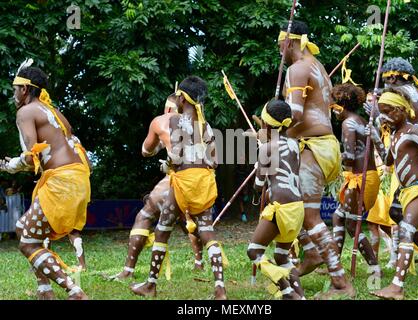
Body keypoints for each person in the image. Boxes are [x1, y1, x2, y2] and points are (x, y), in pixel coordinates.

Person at [0, 60, 91, 300]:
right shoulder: (53, 111)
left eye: (15, 89)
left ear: (25, 89)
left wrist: (11, 166)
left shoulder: (25, 112)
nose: (12, 94)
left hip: (62, 180)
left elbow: (32, 158)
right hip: (78, 177)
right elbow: (76, 145)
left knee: (28, 242)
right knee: (25, 230)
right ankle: (44, 290)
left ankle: (74, 290)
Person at [130, 76, 227, 299]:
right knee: (207, 230)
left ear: (181, 99)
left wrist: (169, 164)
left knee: (163, 229)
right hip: (204, 181)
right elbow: (215, 161)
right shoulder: (205, 125)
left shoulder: (172, 121)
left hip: (183, 182)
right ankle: (220, 288)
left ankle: (151, 284)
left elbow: (172, 153)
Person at [277, 20, 354, 298]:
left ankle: (341, 284)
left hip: (312, 147)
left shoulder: (296, 69)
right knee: (292, 206)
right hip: (324, 146)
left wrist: (271, 128)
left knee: (309, 216)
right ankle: (311, 255)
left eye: (280, 46)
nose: (280, 52)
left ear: (291, 42)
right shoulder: (317, 66)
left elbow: (294, 114)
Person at [110, 94, 204, 281]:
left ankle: (128, 270)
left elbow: (145, 151)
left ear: (168, 108)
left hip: (179, 178)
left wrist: (160, 145)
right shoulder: (198, 122)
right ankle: (200, 262)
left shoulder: (161, 121)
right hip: (201, 180)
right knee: (187, 218)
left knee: (145, 214)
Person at [367, 88, 418, 300]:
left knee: (406, 230)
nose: (386, 116)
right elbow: (387, 160)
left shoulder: (414, 131)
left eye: (389, 111)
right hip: (405, 192)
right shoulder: (395, 135)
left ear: (403, 110)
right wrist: (376, 137)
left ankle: (397, 287)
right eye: (382, 112)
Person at [247, 99, 305, 299]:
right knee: (281, 256)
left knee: (254, 252)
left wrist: (259, 162)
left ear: (264, 124)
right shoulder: (294, 144)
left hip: (281, 209)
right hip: (298, 207)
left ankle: (289, 294)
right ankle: (300, 294)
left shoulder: (266, 149)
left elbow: (258, 185)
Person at [329, 84, 381, 276]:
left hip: (360, 179)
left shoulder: (348, 124)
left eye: (334, 107)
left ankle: (375, 268)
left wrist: (329, 157)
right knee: (338, 216)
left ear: (341, 105)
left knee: (352, 224)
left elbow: (349, 156)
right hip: (365, 177)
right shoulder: (361, 120)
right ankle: (335, 264)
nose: (333, 112)